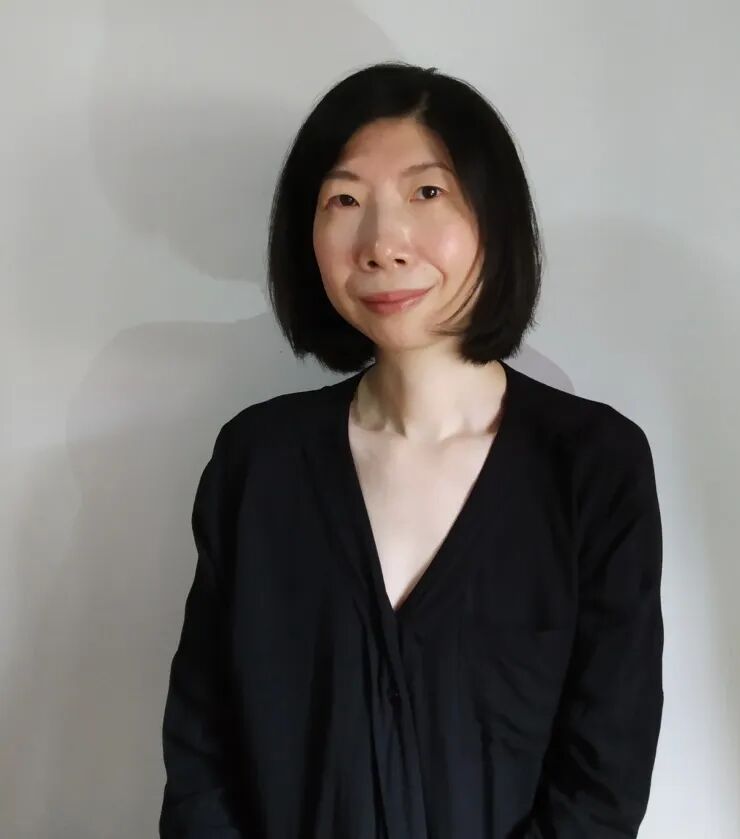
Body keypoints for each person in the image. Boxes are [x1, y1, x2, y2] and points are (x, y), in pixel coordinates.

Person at [159, 61, 664, 839]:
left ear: (492, 217)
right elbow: (201, 753)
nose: (381, 243)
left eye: (426, 192)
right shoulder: (256, 461)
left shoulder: (593, 464)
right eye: (343, 200)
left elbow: (603, 779)